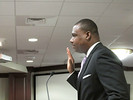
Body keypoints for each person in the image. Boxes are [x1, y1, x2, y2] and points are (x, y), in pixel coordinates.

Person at [66, 19, 129, 100]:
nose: (71, 40)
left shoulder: (102, 55)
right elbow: (89, 92)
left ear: (87, 35)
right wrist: (72, 72)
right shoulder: (90, 58)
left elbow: (119, 96)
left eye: (74, 35)